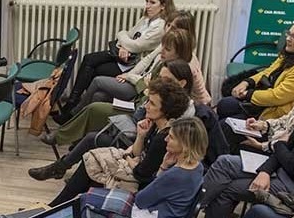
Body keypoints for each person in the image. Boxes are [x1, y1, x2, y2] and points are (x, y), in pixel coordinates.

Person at [30, 60, 225, 180]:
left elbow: (148, 164)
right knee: (95, 120)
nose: (160, 83)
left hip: (145, 148)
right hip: (140, 135)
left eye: (167, 81)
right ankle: (63, 170)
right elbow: (142, 113)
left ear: (181, 83)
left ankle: (62, 169)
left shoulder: (193, 116)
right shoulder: (161, 101)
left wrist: (138, 150)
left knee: (93, 140)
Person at [43, 10, 203, 145]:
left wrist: (135, 79)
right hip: (141, 97)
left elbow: (154, 89)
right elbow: (146, 65)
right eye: (168, 25)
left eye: (173, 27)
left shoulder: (179, 68)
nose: (167, 29)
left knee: (97, 87)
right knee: (98, 92)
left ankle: (67, 128)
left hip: (140, 106)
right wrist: (131, 75)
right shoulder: (166, 52)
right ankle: (77, 137)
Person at [201, 70, 294, 218]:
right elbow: (286, 145)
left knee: (227, 189)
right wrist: (265, 171)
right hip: (279, 170)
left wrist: (278, 143)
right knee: (224, 161)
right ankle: (191, 207)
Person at [45, 77, 190, 206]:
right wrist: (140, 136)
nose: (146, 106)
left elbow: (141, 174)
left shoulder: (163, 138)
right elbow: (136, 153)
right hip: (135, 173)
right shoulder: (155, 125)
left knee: (92, 163)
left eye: (152, 104)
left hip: (141, 188)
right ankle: (59, 208)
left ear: (165, 109)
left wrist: (128, 157)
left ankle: (54, 208)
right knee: (91, 162)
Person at [63, 0, 175, 115]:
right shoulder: (145, 19)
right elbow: (127, 34)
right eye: (147, 1)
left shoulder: (160, 26)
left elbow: (135, 45)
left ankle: (76, 108)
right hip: (123, 55)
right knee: (89, 58)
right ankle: (75, 104)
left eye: (152, 3)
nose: (147, 6)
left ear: (163, 6)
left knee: (96, 70)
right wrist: (124, 44)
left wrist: (124, 41)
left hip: (131, 62)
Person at [218, 18, 294, 120]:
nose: (288, 39)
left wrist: (248, 94)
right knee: (224, 106)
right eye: (288, 34)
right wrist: (247, 82)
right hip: (262, 101)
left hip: (271, 113)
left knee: (225, 121)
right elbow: (268, 71)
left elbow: (277, 96)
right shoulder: (290, 54)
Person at [226, 56, 294, 154]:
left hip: (279, 149)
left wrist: (262, 146)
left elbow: (291, 139)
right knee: (228, 127)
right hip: (274, 137)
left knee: (232, 145)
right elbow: (286, 120)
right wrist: (263, 125)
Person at [131, 117, 207, 218]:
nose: (165, 139)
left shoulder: (175, 175)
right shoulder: (198, 167)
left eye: (171, 137)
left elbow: (140, 200)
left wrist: (162, 169)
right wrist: (164, 166)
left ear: (185, 144)